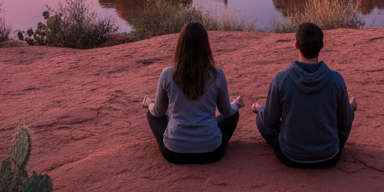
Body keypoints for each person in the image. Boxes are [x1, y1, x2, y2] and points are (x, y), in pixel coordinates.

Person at [252, 21, 356, 168]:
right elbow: (345, 122)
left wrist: (260, 110)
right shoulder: (336, 79)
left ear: (296, 45)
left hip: (290, 156)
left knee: (262, 121)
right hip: (329, 156)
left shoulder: (281, 79)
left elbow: (270, 122)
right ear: (321, 47)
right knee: (347, 119)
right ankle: (348, 110)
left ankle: (260, 111)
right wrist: (350, 108)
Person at [143, 20, 244, 164]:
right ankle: (207, 135)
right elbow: (227, 112)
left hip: (174, 152)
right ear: (205, 47)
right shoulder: (217, 75)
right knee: (233, 115)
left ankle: (178, 138)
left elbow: (158, 111)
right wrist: (236, 105)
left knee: (152, 114)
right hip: (211, 152)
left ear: (180, 46)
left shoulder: (167, 74)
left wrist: (149, 103)